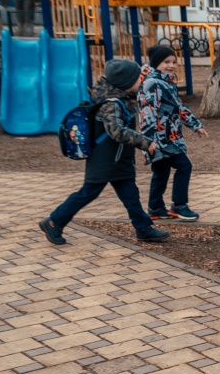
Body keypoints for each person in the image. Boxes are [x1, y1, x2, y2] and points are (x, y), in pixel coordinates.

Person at [39, 60, 170, 246]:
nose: (141, 80)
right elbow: (116, 131)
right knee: (87, 193)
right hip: (104, 159)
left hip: (118, 159)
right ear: (125, 82)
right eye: (138, 78)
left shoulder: (119, 98)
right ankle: (54, 222)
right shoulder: (111, 104)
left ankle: (143, 228)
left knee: (130, 194)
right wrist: (145, 142)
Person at [139, 45, 208, 221]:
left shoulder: (167, 83)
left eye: (173, 62)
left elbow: (179, 108)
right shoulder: (152, 84)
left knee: (161, 172)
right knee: (184, 166)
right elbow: (147, 113)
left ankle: (155, 207)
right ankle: (179, 205)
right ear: (156, 64)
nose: (170, 65)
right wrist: (148, 141)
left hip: (169, 137)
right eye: (166, 62)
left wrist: (195, 125)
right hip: (160, 139)